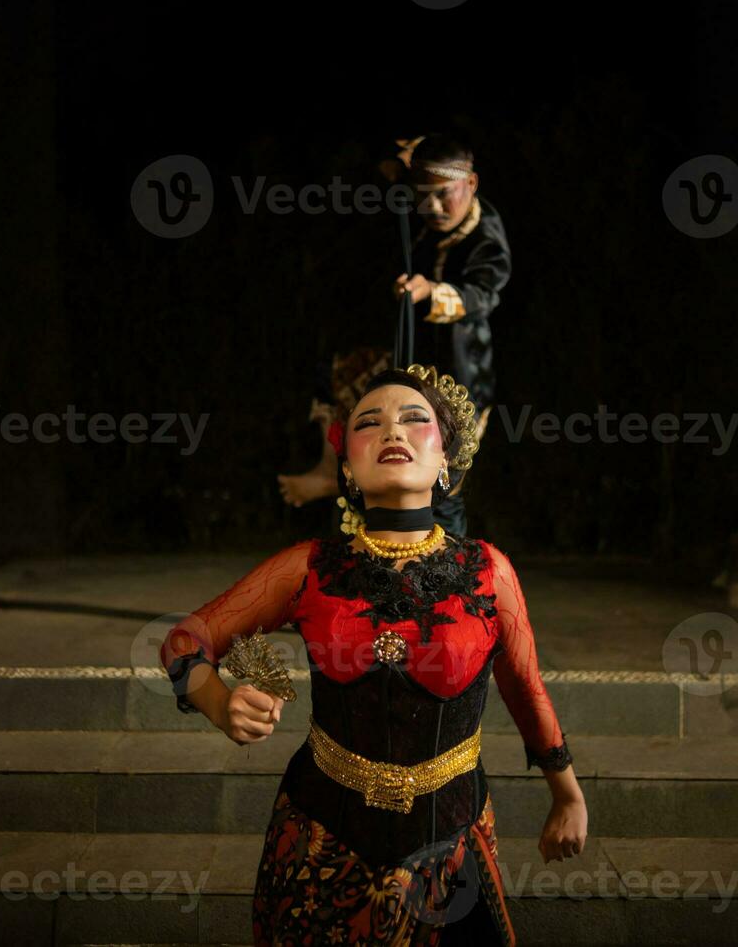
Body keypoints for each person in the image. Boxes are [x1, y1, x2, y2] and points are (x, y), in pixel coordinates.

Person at [166, 366, 586, 945]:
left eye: (416, 419)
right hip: (318, 845)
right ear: (347, 468)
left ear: (446, 460)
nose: (393, 429)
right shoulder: (308, 567)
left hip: (453, 844)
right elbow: (185, 639)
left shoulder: (489, 572)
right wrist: (216, 701)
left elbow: (525, 686)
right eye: (369, 423)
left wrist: (568, 795)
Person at [277, 134, 511, 537]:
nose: (433, 208)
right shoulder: (414, 207)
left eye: (444, 195)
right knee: (337, 375)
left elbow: (484, 292)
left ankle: (447, 582)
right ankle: (331, 473)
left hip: (459, 373)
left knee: (444, 480)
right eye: (423, 196)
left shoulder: (485, 233)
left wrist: (432, 292)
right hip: (408, 357)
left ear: (471, 184)